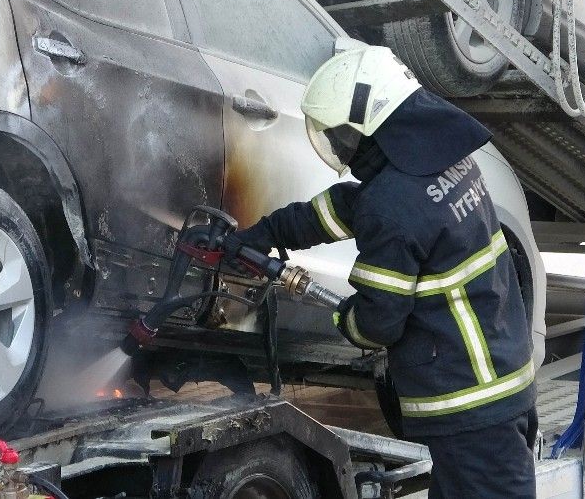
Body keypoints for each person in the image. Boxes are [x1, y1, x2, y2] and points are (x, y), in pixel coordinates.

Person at [223, 39, 537, 498]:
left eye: (342, 134)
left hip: (469, 406)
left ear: (369, 124)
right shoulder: (440, 162)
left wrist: (343, 318)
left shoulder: (391, 206)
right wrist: (267, 232)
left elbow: (377, 323)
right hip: (499, 387)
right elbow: (348, 208)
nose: (341, 146)